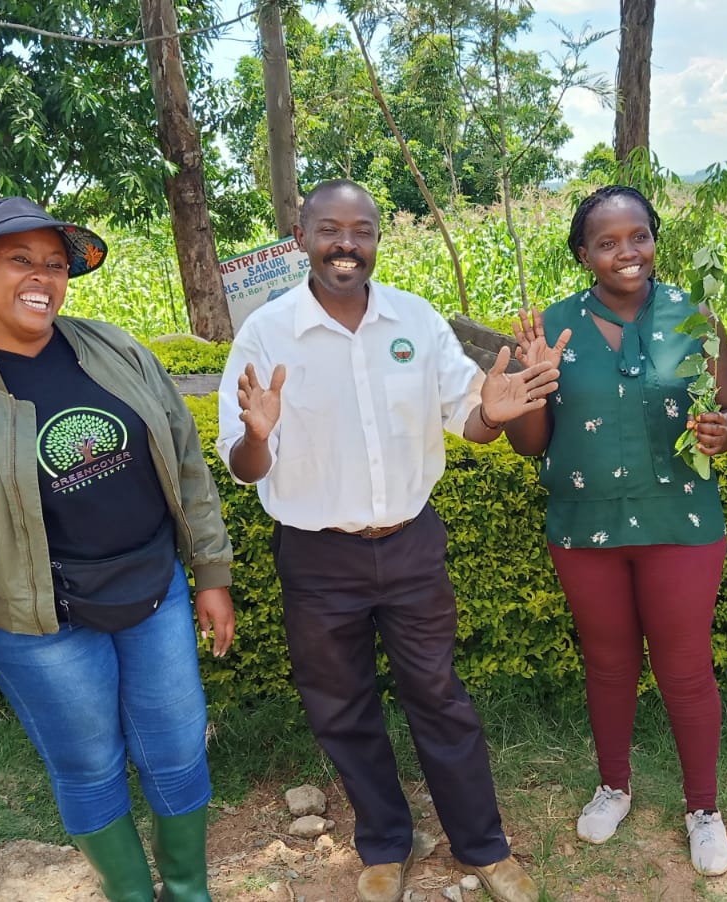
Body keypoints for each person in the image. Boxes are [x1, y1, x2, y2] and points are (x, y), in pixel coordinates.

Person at [0, 197, 236, 902]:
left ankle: (189, 892)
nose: (42, 276)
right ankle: (134, 896)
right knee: (90, 767)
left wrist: (210, 571)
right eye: (20, 261)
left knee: (175, 748)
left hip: (155, 594)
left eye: (54, 263)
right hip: (38, 628)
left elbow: (186, 461)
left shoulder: (117, 351)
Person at [216, 179, 552, 902]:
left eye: (361, 229)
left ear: (375, 238)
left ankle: (484, 847)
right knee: (340, 704)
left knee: (439, 693)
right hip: (316, 555)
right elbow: (244, 468)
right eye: (330, 229)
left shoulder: (416, 320)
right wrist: (257, 434)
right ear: (302, 236)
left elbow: (469, 412)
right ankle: (383, 842)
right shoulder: (266, 333)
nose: (346, 243)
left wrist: (492, 415)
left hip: (409, 545)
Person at [504, 185, 727, 877]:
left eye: (637, 236)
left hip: (683, 522)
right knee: (608, 663)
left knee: (684, 668)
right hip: (584, 525)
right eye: (606, 242)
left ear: (654, 239)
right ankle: (614, 786)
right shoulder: (551, 327)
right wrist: (530, 381)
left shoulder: (696, 317)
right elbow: (529, 445)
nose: (626, 253)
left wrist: (721, 431)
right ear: (583, 254)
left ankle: (703, 807)